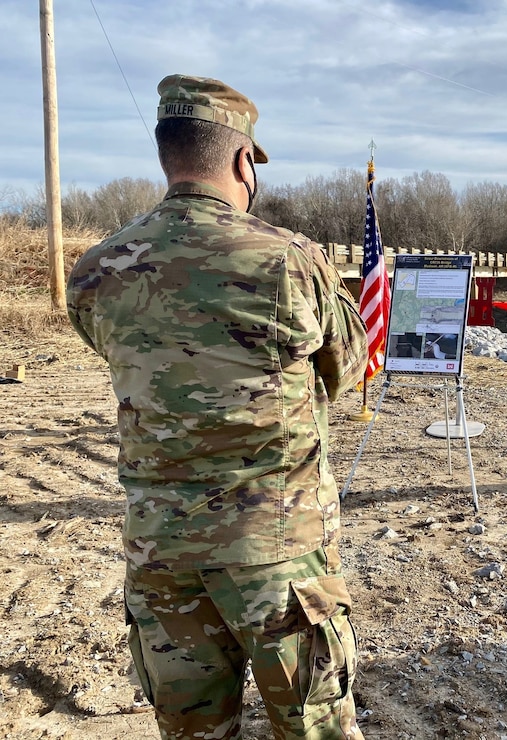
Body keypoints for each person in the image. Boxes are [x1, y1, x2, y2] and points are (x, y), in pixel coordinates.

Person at [66, 74, 368, 740]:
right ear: (242, 162)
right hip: (278, 558)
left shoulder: (95, 270)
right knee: (313, 729)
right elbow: (346, 371)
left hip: (160, 554)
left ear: (166, 155)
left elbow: (117, 356)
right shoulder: (293, 261)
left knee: (192, 732)